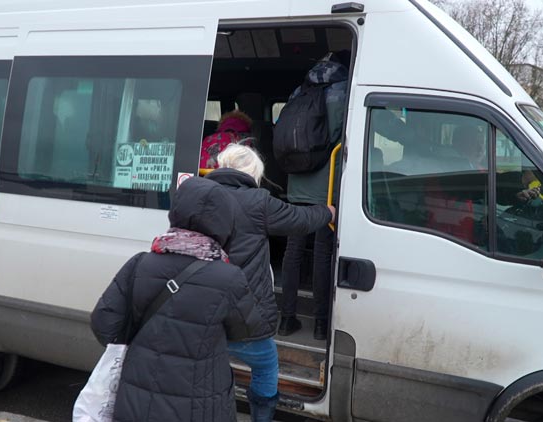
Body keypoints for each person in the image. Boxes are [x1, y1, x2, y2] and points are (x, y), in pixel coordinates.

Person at [90, 176, 266, 422]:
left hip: (136, 401)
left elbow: (103, 324)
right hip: (201, 404)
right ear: (225, 222)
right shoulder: (228, 278)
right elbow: (246, 329)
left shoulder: (139, 264)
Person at [204, 144, 335, 421]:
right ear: (253, 173)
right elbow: (300, 219)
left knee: (210, 366)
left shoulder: (199, 195)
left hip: (204, 308)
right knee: (265, 367)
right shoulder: (258, 201)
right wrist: (329, 213)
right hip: (246, 314)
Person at [279, 51, 349, 340]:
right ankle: (321, 324)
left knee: (292, 252)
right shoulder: (344, 91)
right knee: (322, 253)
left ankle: (286, 319)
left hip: (297, 182)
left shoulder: (300, 90)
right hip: (326, 184)